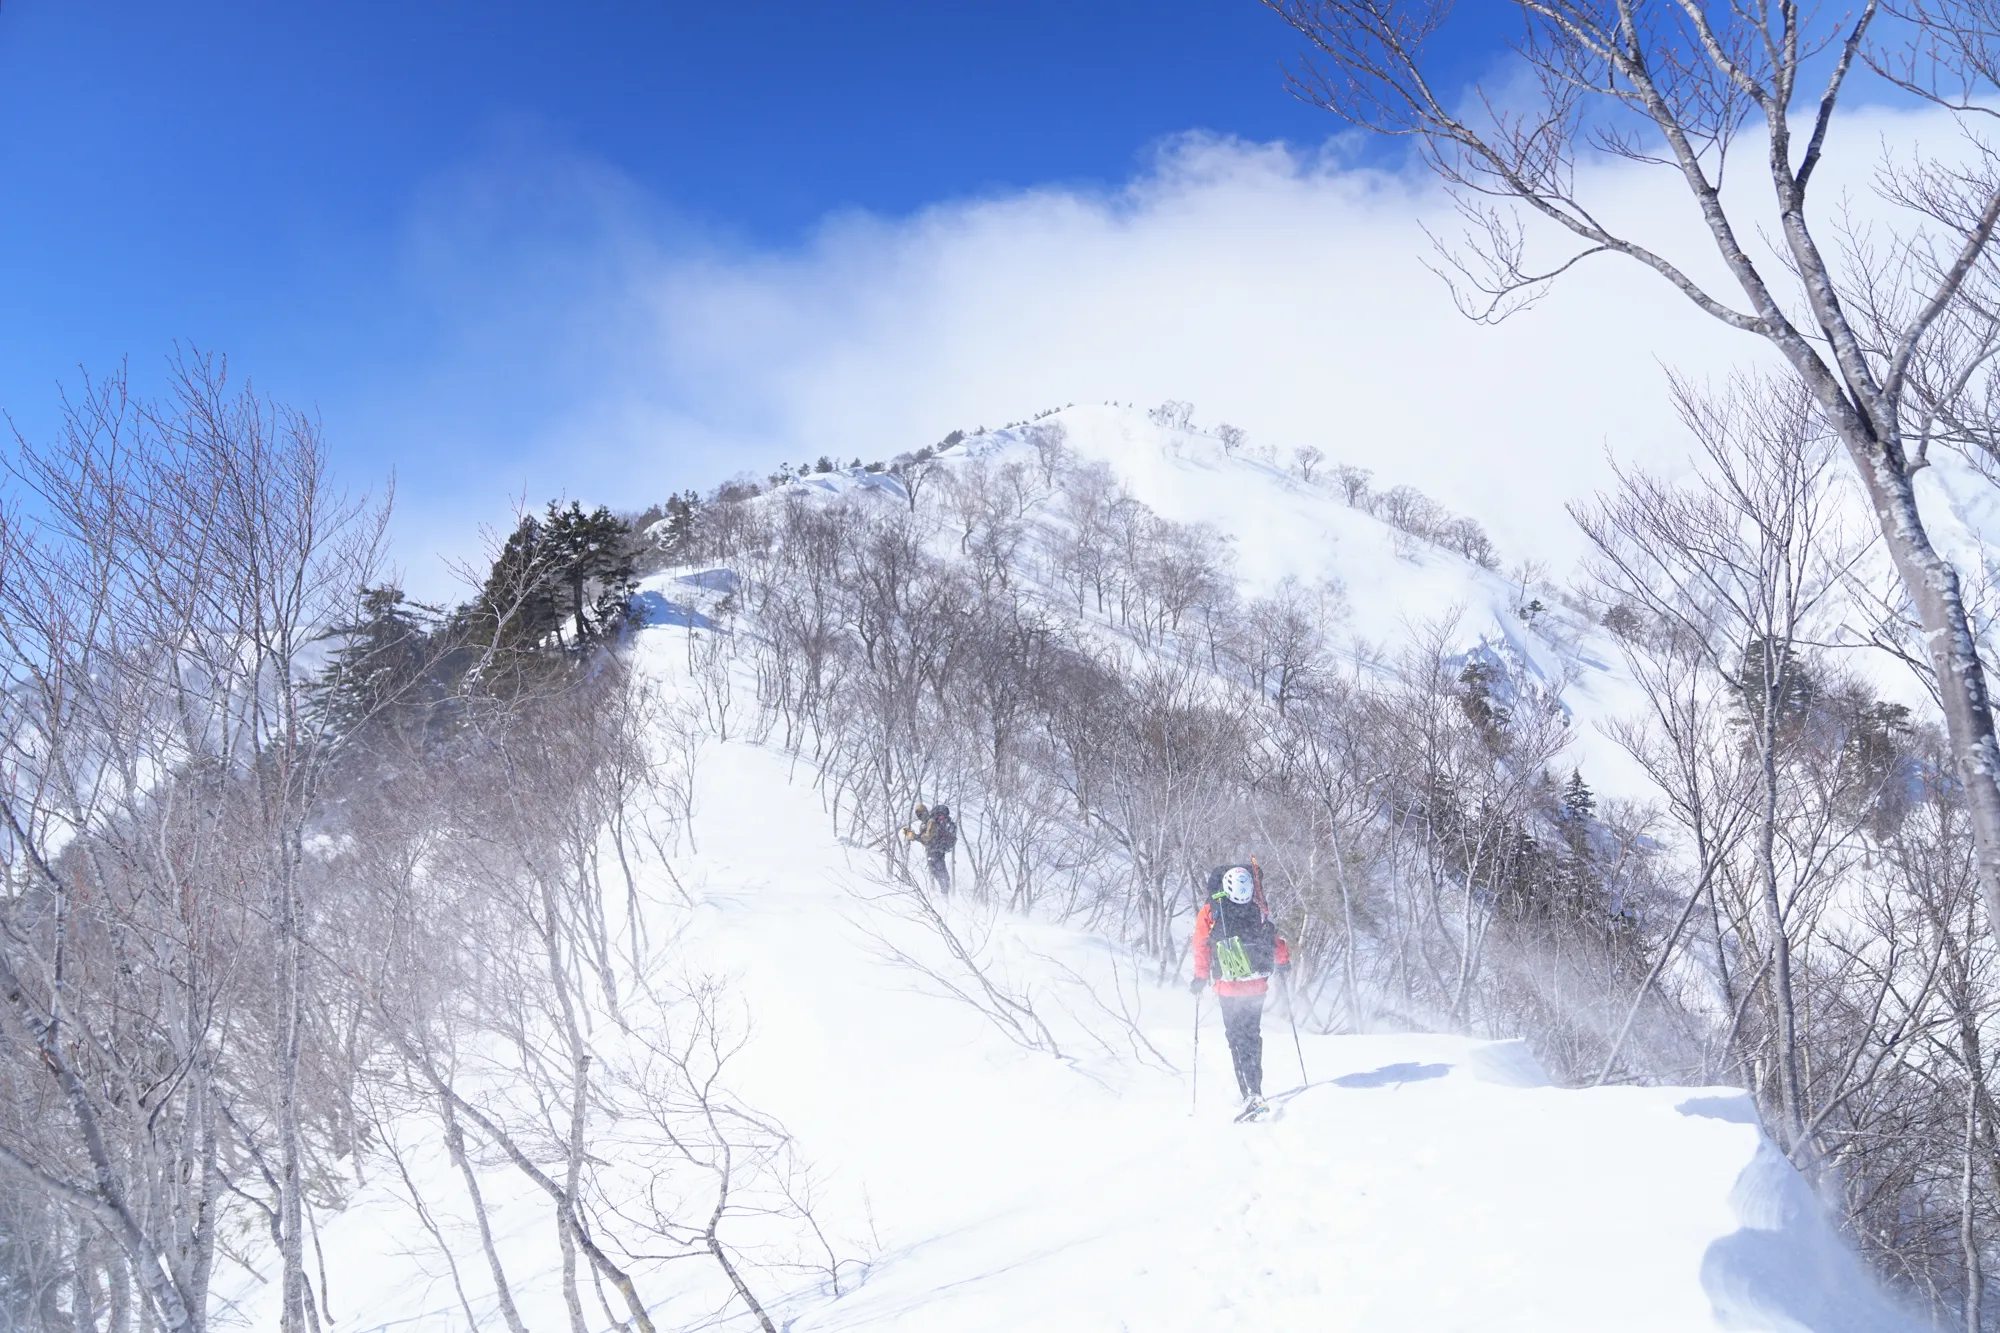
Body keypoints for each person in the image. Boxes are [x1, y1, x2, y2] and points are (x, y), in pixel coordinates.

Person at [1189, 863, 1290, 1118]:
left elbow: (1201, 946)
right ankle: (1254, 1089)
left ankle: (1251, 1095)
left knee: (1236, 1039)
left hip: (1229, 988)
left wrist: (1200, 977)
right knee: (1251, 1036)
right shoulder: (1258, 909)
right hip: (1256, 986)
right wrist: (1284, 961)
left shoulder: (1210, 911)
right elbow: (1274, 940)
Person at [900, 802, 956, 894]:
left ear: (926, 811)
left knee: (940, 874)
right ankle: (945, 895)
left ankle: (945, 897)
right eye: (919, 815)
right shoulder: (927, 823)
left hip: (934, 852)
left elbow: (928, 837)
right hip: (937, 850)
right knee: (940, 874)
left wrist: (915, 836)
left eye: (921, 813)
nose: (921, 816)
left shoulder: (931, 822)